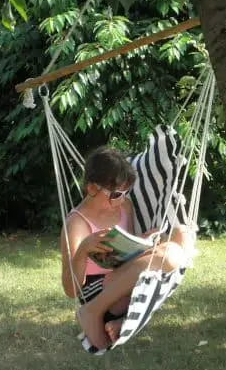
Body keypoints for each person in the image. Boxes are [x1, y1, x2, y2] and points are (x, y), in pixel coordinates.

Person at [60, 146, 195, 350]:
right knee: (170, 256)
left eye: (126, 193)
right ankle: (93, 311)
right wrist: (83, 251)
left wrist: (143, 240)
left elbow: (128, 253)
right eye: (116, 194)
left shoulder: (125, 207)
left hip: (125, 279)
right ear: (92, 188)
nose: (122, 199)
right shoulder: (77, 224)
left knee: (180, 238)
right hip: (98, 292)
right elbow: (71, 290)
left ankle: (124, 321)